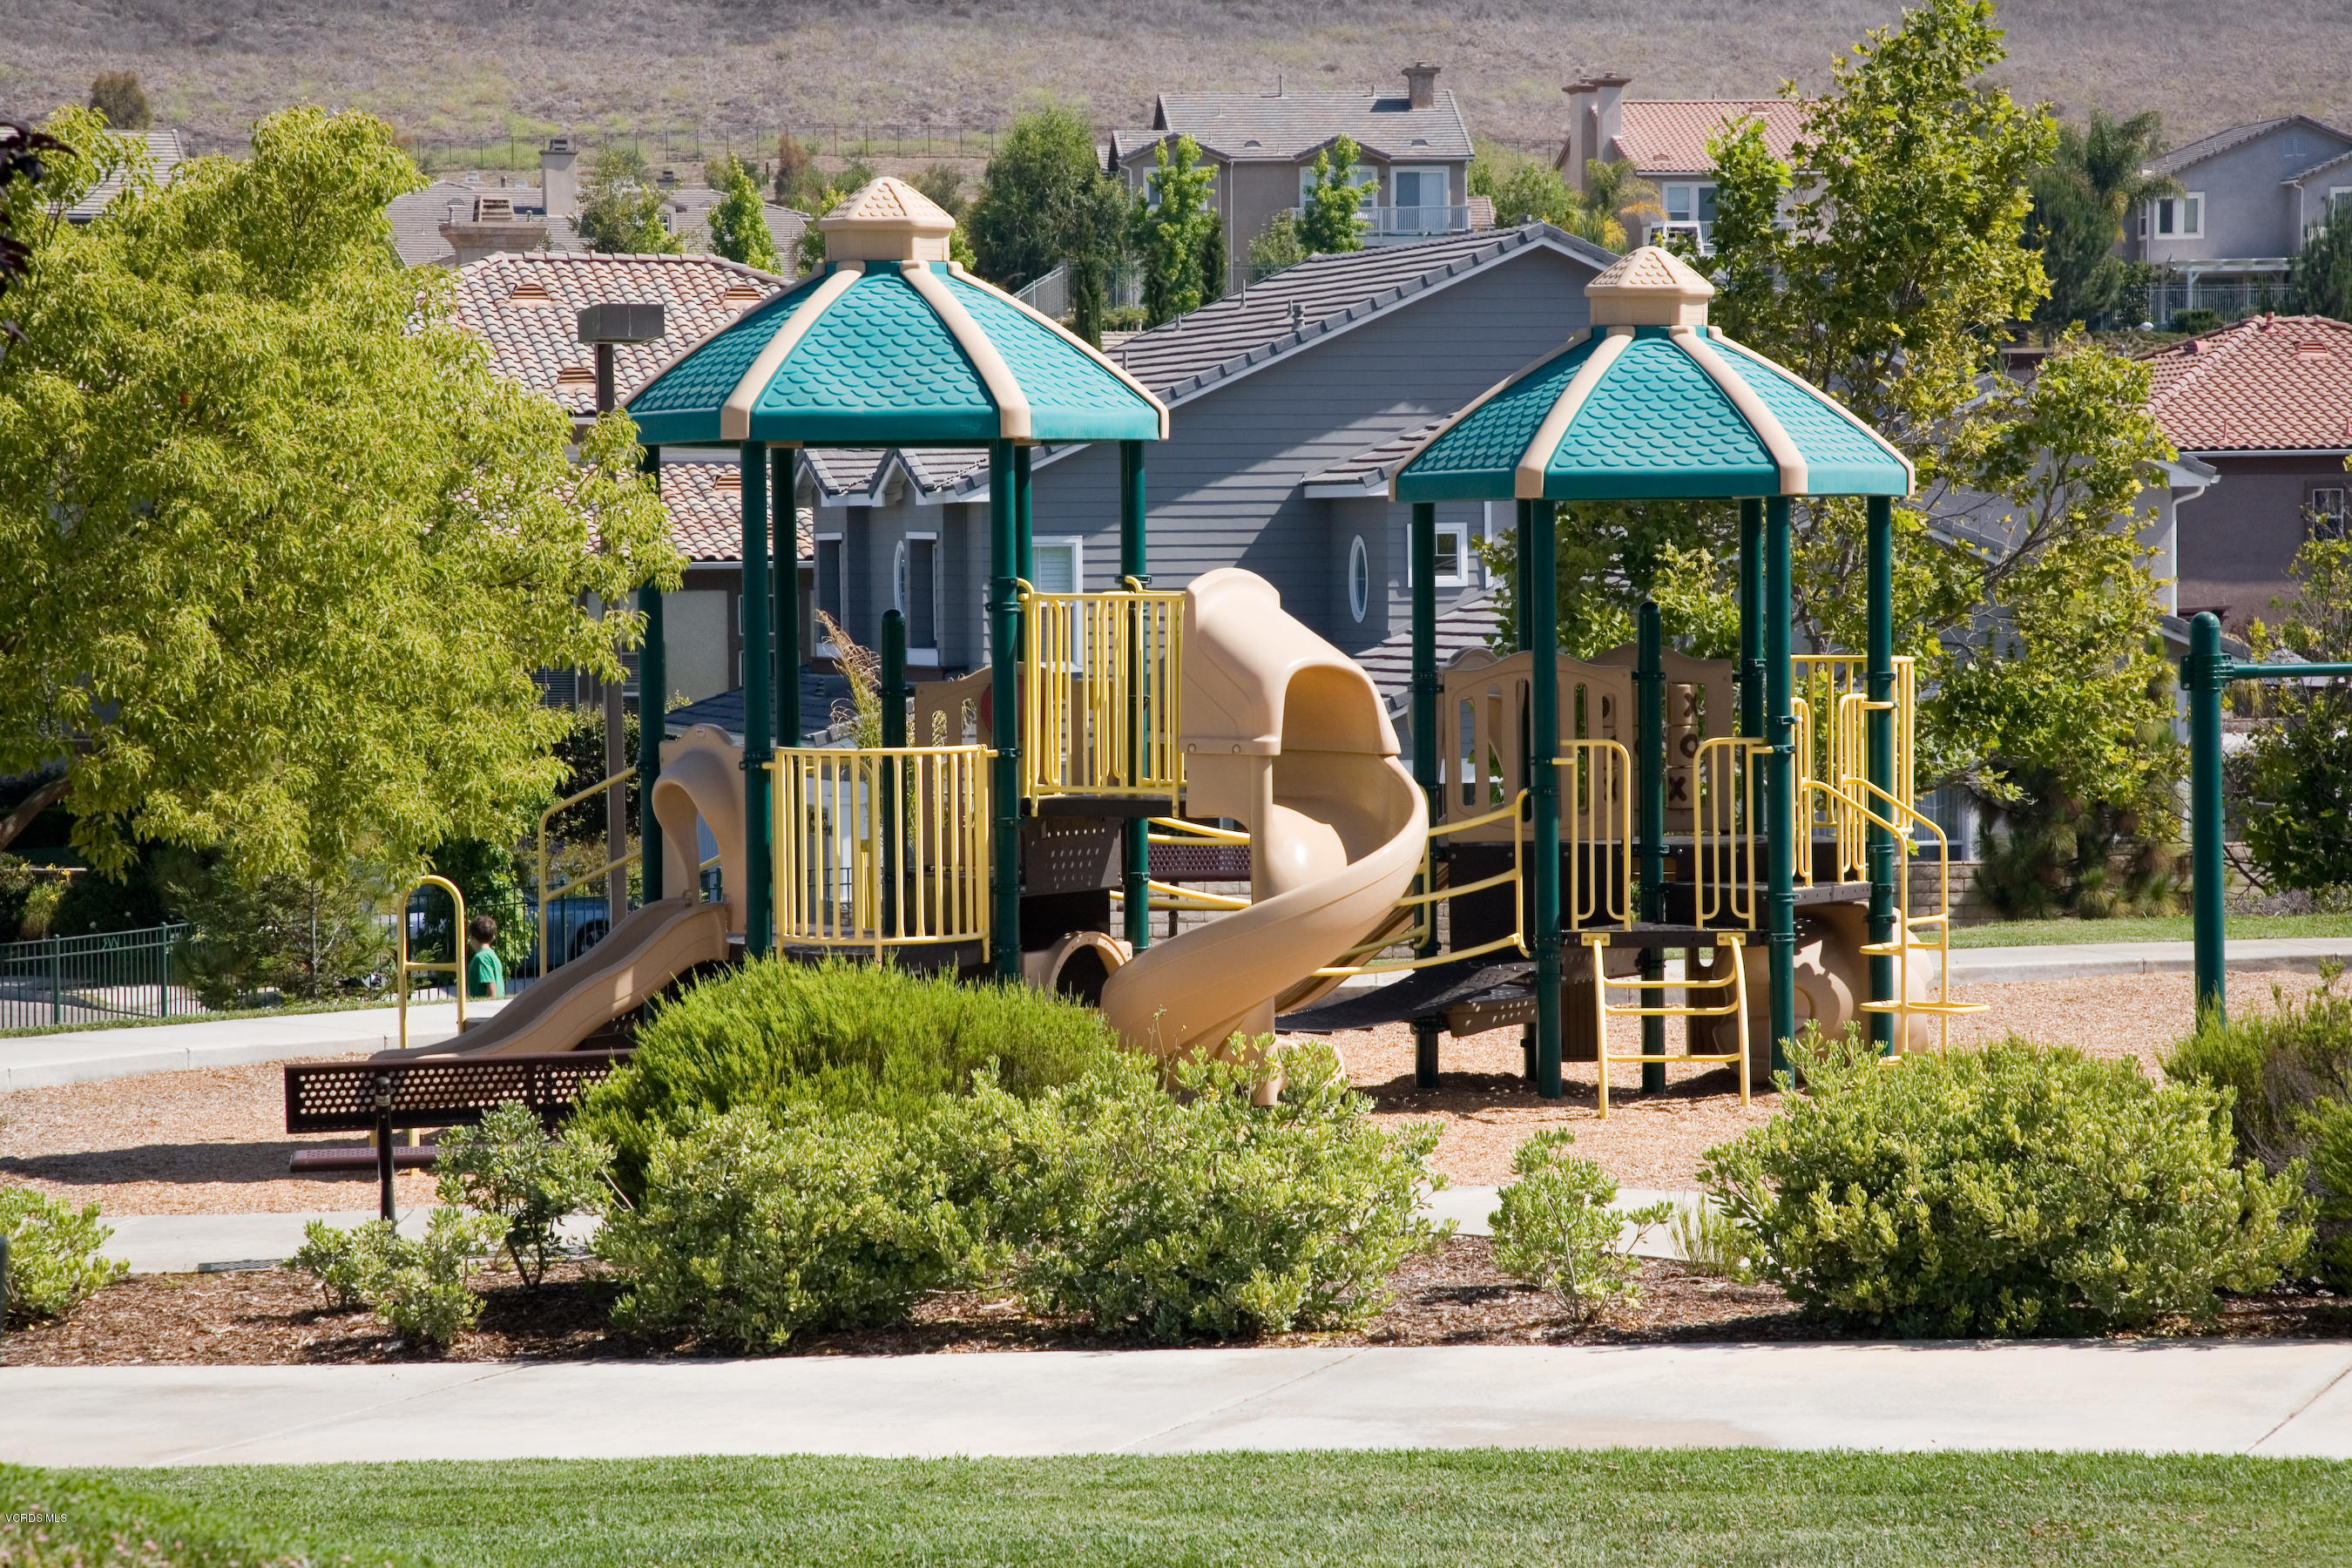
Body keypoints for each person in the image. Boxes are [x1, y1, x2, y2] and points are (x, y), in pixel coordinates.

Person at [465, 913, 506, 998]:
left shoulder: (481, 958)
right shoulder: (491, 954)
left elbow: (491, 987)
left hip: (486, 1009)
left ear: (472, 937)